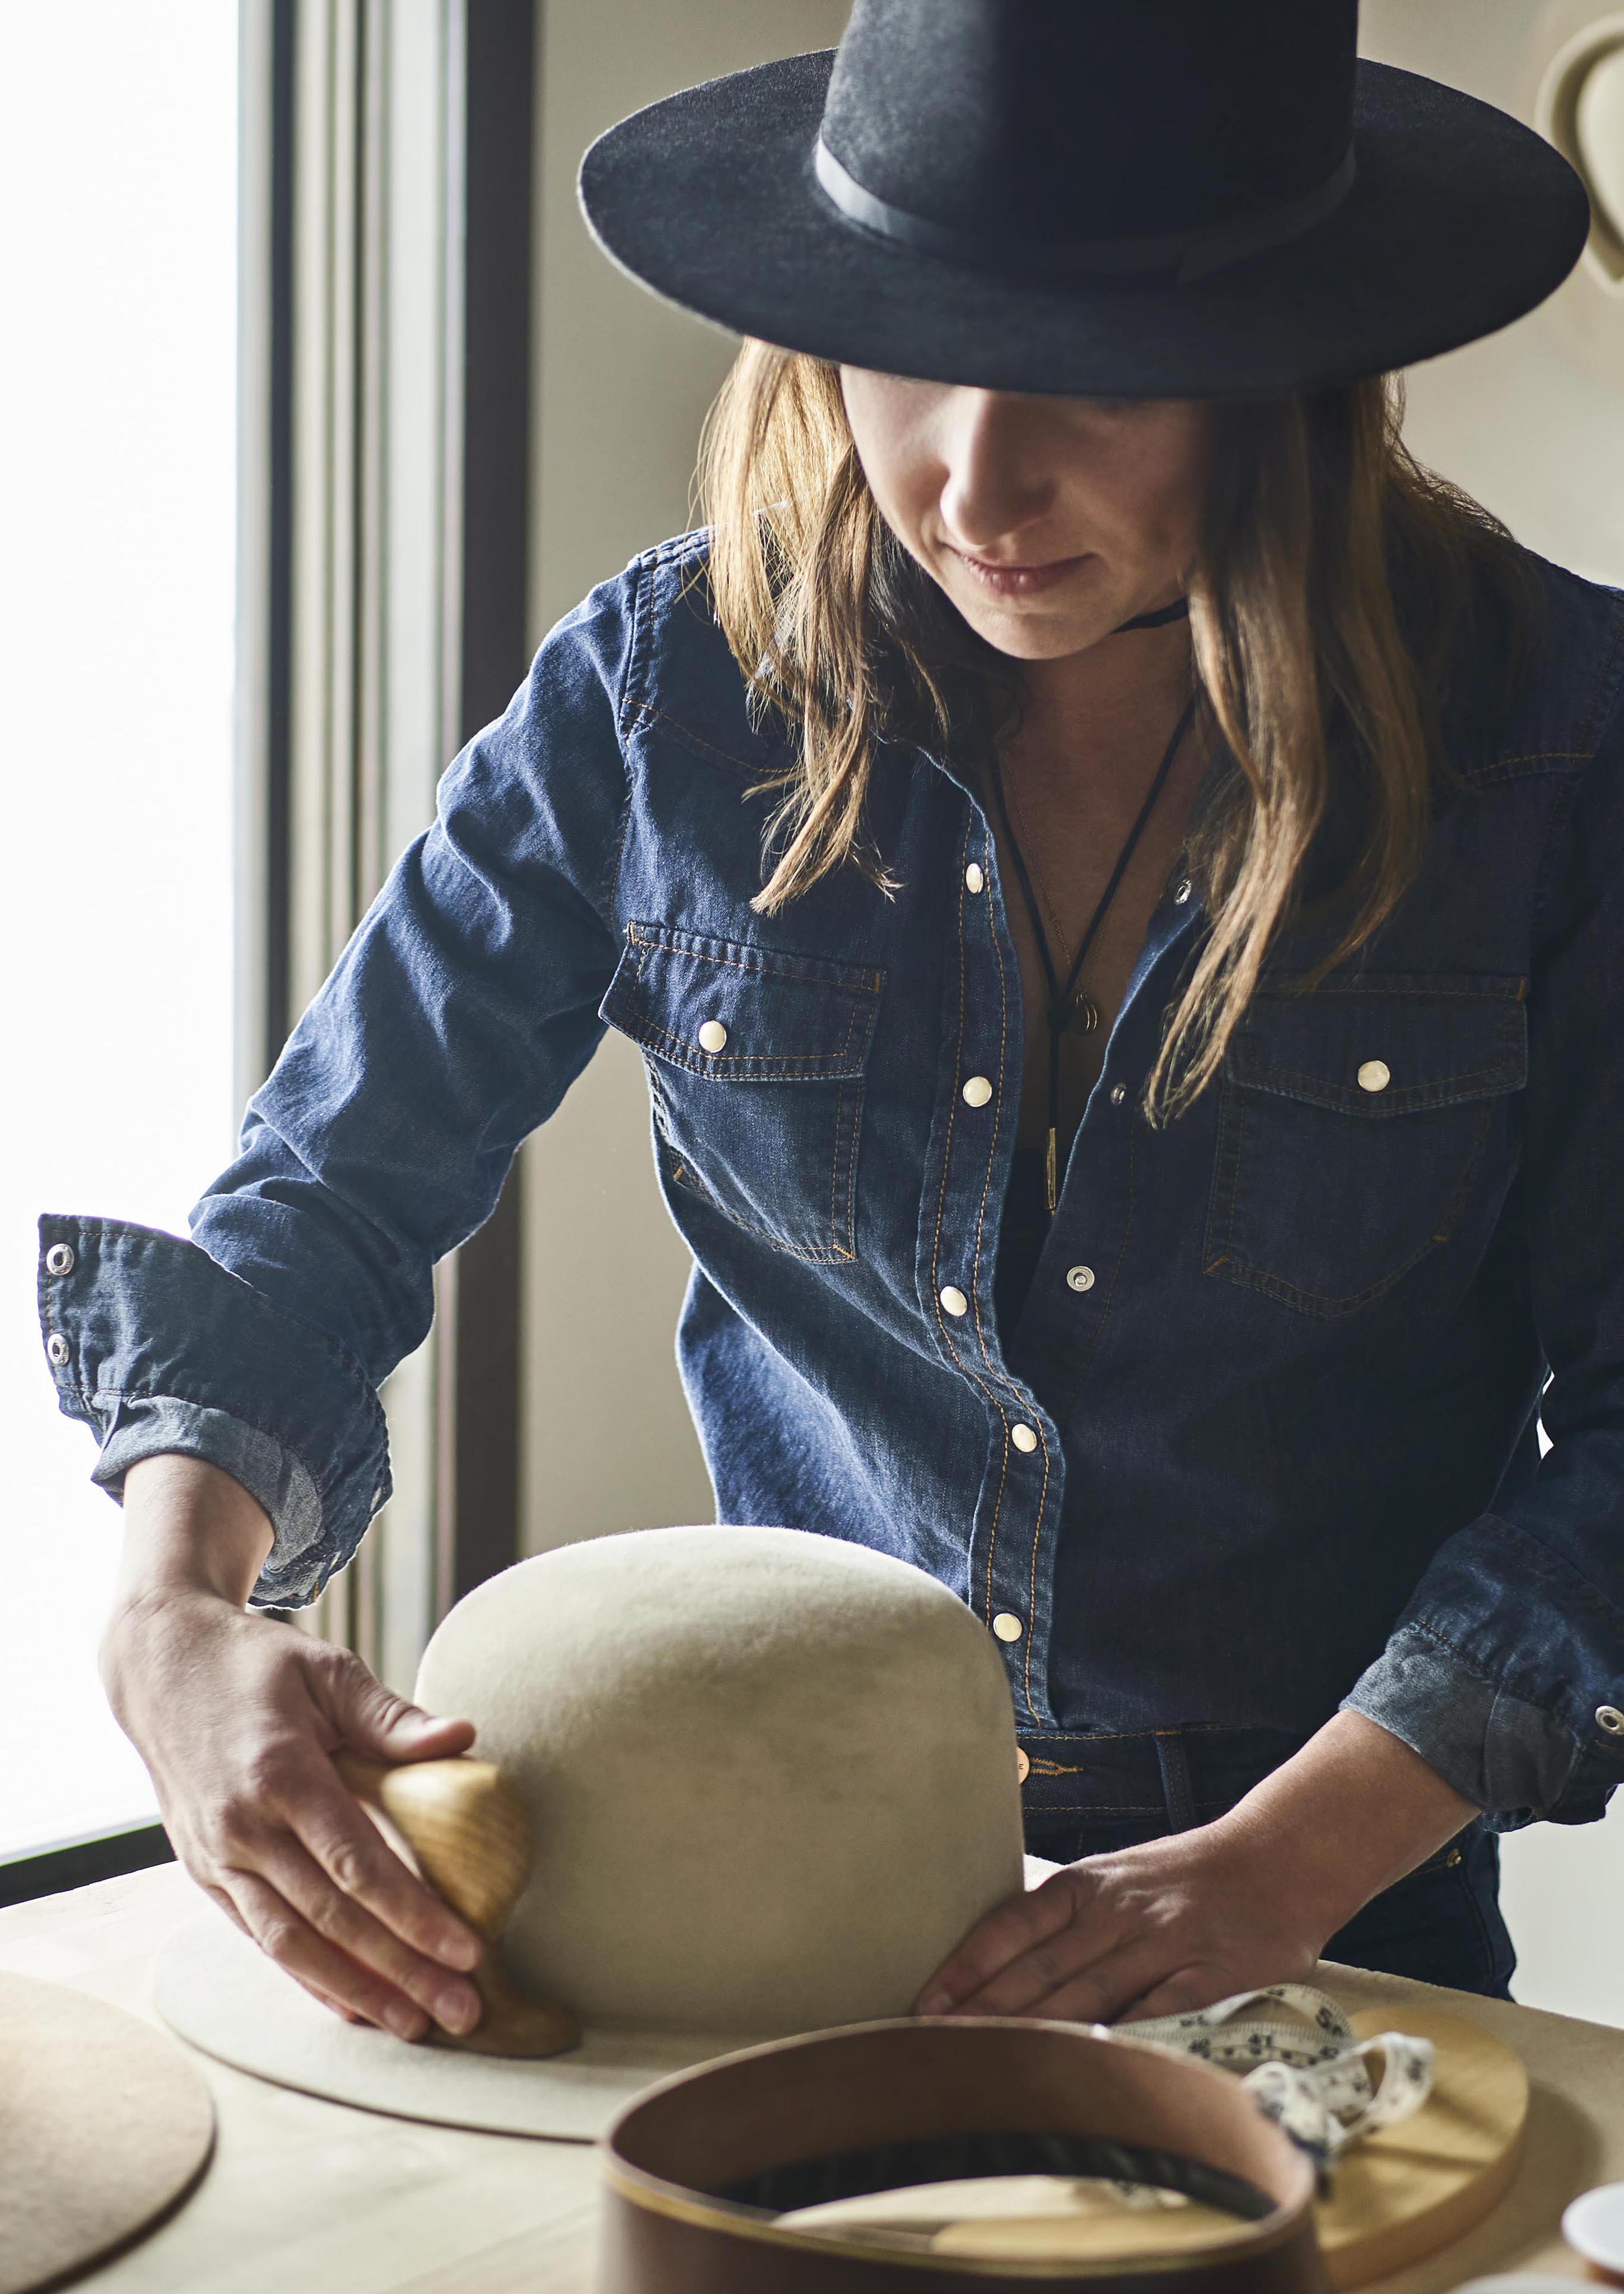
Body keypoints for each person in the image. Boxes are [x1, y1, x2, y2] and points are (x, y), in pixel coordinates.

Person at [43, 0, 1623, 2049]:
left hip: (1322, 1913)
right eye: (910, 345)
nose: (977, 479)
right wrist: (170, 1612)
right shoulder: (659, 696)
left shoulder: (1558, 749)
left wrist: (1287, 1856)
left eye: (1099, 381)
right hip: (742, 1869)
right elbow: (328, 1196)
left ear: (1289, 373)